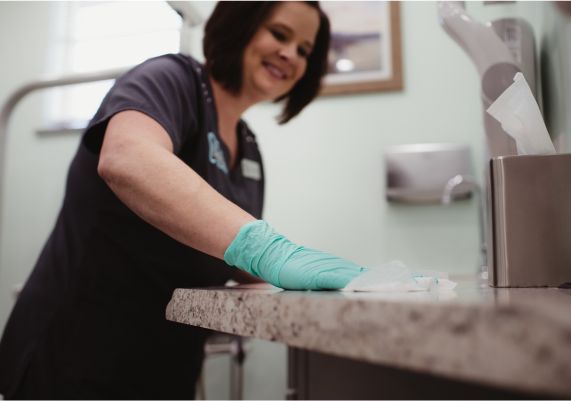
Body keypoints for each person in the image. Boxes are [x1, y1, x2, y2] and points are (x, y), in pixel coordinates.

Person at [0, 1, 365, 399]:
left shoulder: (248, 147)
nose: (291, 55)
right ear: (240, 25)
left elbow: (231, 250)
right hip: (74, 358)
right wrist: (272, 251)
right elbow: (126, 157)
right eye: (280, 34)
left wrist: (314, 274)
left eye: (304, 50)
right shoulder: (171, 78)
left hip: (164, 367)